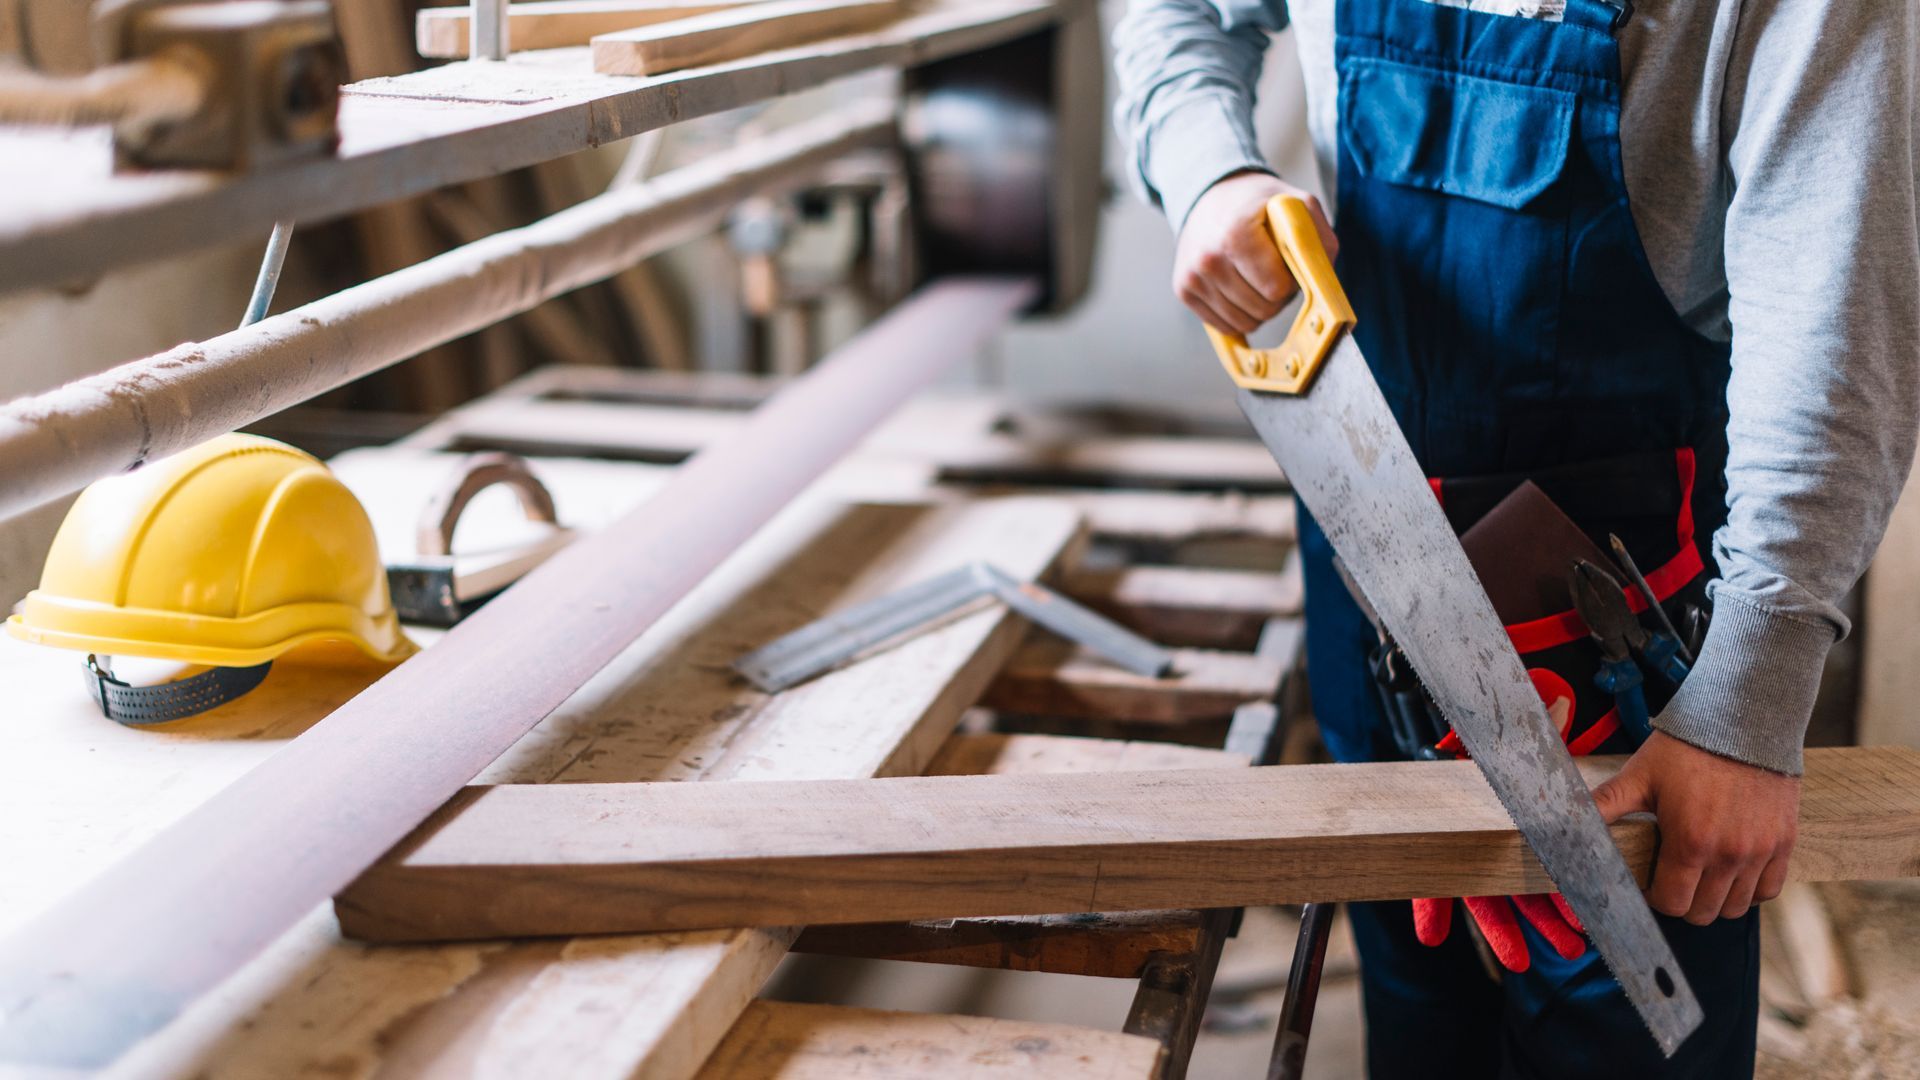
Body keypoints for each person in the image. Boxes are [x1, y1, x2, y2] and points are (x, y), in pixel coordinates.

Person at [1114, 0, 1919, 1075]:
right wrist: (1207, 168)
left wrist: (1744, 704)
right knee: (1415, 1012)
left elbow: (1833, 321)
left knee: (1634, 1032)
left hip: (1639, 643)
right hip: (1368, 564)